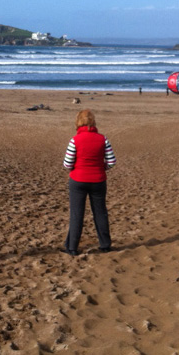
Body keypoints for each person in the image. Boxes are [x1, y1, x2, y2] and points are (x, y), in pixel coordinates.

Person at [62, 109, 116, 256]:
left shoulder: (75, 140)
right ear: (93, 122)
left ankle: (72, 247)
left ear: (78, 122)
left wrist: (76, 169)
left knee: (76, 214)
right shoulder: (102, 139)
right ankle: (105, 245)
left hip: (78, 180)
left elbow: (67, 164)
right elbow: (111, 162)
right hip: (98, 180)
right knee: (100, 213)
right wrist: (101, 168)